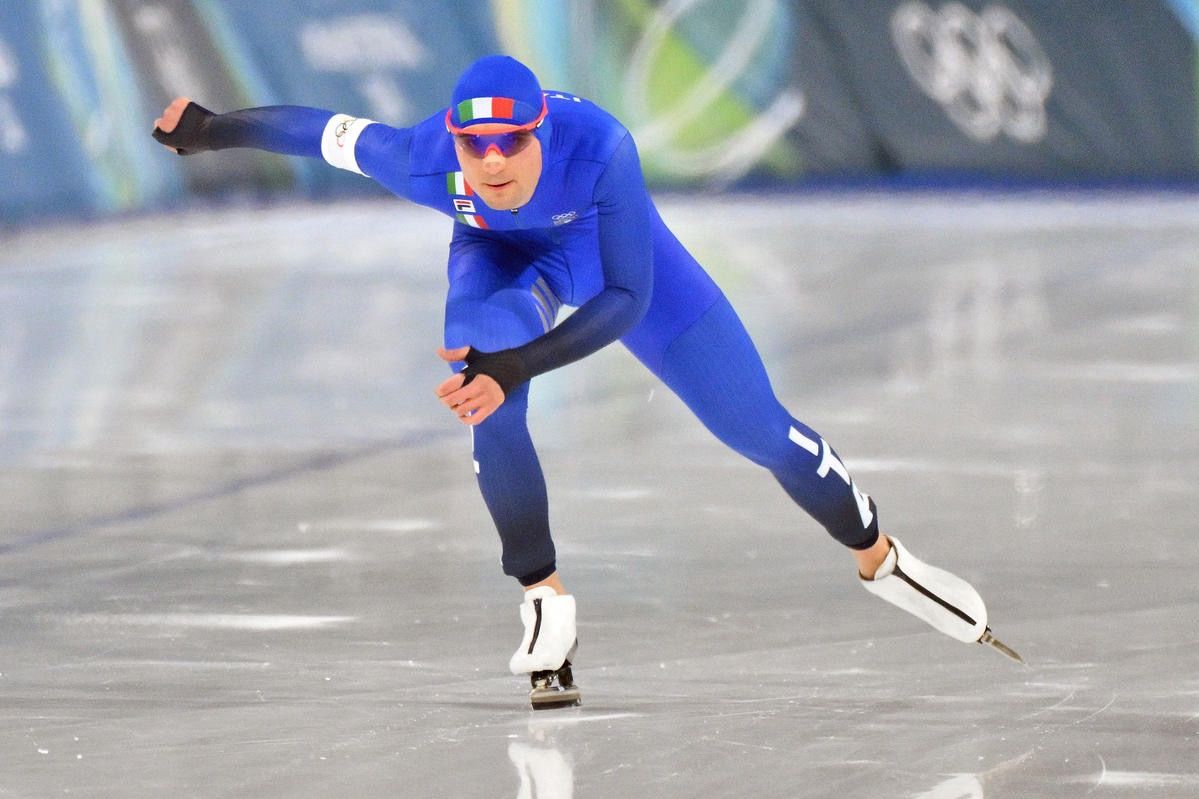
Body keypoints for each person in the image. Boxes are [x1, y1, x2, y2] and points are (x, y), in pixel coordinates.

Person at [152, 55, 1019, 709]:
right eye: (475, 146)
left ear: (540, 132)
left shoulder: (601, 148)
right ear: (453, 140)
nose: (493, 162)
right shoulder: (418, 157)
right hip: (499, 263)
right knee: (483, 388)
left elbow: (626, 298)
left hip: (615, 264)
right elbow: (316, 131)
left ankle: (880, 556)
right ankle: (542, 593)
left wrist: (522, 363)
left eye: (512, 142)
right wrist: (212, 128)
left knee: (756, 428)